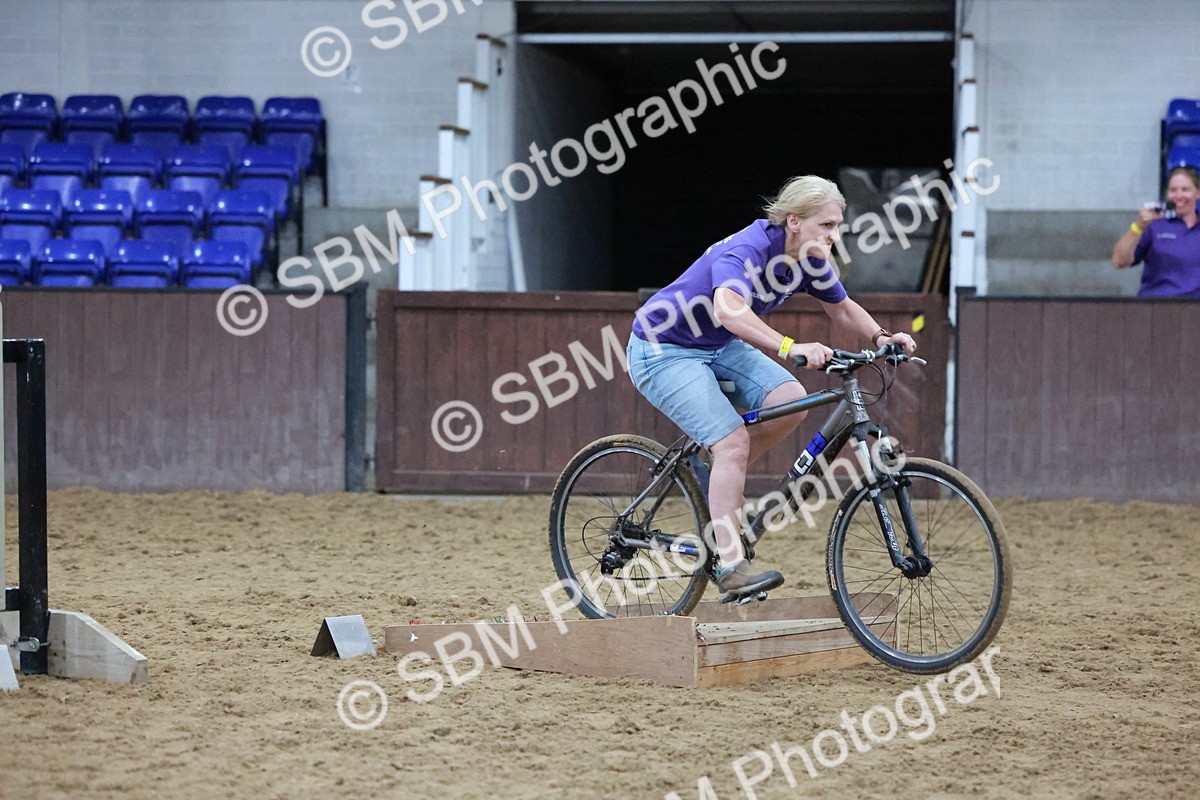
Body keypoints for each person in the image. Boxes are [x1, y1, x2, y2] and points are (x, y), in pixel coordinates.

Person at [626, 175, 917, 599]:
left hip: (716, 345)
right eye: (827, 226)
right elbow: (728, 310)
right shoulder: (746, 251)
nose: (835, 236)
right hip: (662, 349)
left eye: (838, 226)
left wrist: (880, 337)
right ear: (794, 222)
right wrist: (789, 345)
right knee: (733, 444)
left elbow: (841, 307)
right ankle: (730, 567)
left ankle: (719, 476)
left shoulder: (810, 257)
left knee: (791, 402)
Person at [1110, 166, 1200, 296]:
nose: (1179, 196)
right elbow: (1118, 261)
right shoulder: (1154, 224)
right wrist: (1138, 226)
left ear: (1197, 193)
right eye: (1173, 190)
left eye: (1185, 189)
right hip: (1157, 307)